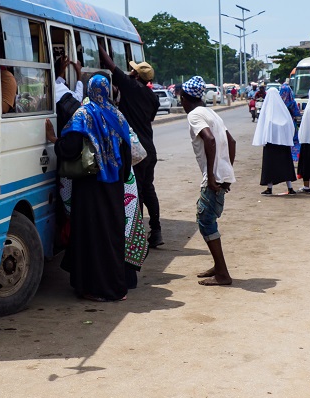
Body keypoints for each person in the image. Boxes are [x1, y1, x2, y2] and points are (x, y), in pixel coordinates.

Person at [48, 75, 133, 301]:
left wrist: (54, 140)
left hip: (90, 188)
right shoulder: (118, 116)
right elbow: (126, 155)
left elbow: (71, 148)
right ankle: (116, 287)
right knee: (112, 236)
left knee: (92, 236)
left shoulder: (84, 115)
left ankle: (94, 288)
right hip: (113, 187)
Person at [98, 44, 163, 248]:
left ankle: (136, 237)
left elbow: (110, 65)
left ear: (135, 74)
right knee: (148, 189)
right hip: (149, 148)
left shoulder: (130, 86)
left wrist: (98, 43)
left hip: (135, 150)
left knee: (136, 193)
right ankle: (156, 230)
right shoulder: (152, 97)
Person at [178, 76, 236, 286]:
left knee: (206, 221)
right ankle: (218, 267)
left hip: (213, 177)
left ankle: (222, 274)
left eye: (181, 99)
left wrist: (212, 176)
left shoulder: (194, 115)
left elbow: (210, 139)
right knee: (208, 219)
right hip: (222, 174)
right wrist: (227, 171)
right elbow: (231, 141)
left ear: (185, 98)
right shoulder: (210, 112)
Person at [254, 87, 297, 195]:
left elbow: (263, 126)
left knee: (270, 167)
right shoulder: (283, 111)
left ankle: (269, 188)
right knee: (286, 166)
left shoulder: (267, 111)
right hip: (283, 145)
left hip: (271, 145)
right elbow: (290, 126)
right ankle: (290, 188)